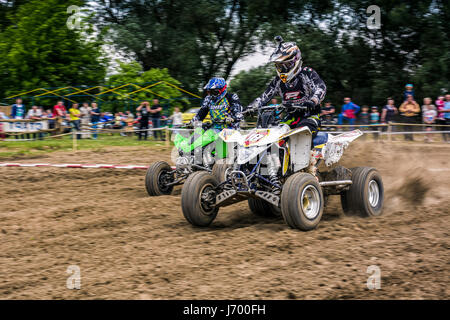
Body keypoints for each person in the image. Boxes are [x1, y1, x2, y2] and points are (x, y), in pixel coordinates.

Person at [248, 36, 326, 140]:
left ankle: (309, 155)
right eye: (279, 66)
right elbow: (264, 97)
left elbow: (321, 87)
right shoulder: (278, 81)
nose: (282, 69)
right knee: (274, 136)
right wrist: (251, 107)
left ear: (295, 61)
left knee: (301, 133)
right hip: (290, 118)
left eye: (285, 65)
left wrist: (313, 100)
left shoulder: (307, 73)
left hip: (309, 116)